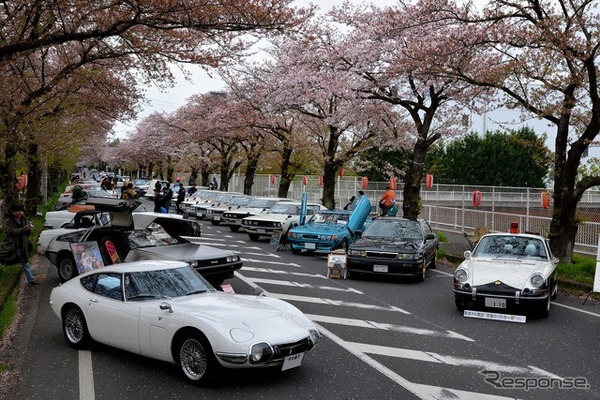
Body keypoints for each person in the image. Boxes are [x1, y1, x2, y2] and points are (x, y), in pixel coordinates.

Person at [3, 204, 38, 285]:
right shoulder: (8, 221)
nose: (20, 213)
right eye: (17, 211)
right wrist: (23, 229)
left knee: (24, 261)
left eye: (20, 211)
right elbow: (11, 231)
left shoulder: (23, 218)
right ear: (12, 212)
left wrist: (29, 228)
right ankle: (31, 280)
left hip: (23, 243)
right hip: (14, 245)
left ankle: (31, 280)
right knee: (24, 262)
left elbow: (27, 225)